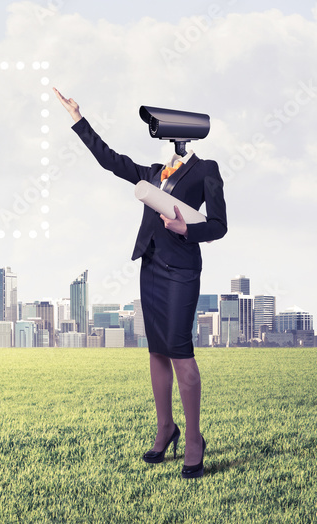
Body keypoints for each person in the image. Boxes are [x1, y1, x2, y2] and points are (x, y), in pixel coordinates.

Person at [53, 87, 227, 479]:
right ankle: (166, 427)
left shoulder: (207, 170)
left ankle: (195, 439)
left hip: (181, 272)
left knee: (181, 354)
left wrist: (186, 229)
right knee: (157, 352)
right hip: (150, 268)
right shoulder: (152, 173)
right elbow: (110, 161)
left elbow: (219, 225)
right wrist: (78, 119)